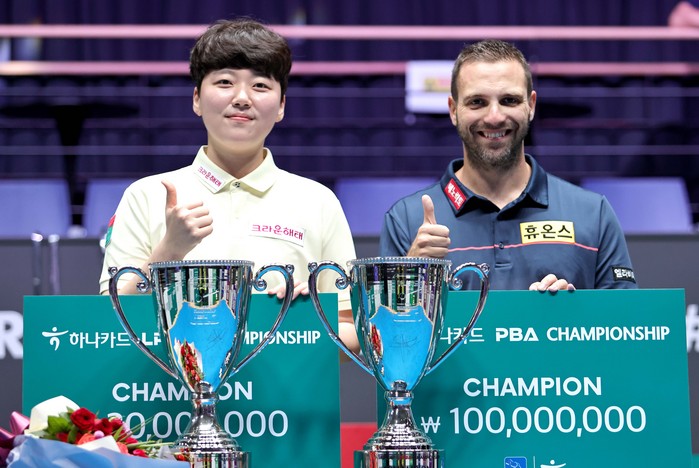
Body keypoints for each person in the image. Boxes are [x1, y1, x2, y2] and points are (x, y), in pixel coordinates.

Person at [99, 18, 358, 350]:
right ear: (196, 99)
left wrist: (302, 325)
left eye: (260, 85)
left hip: (284, 385)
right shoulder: (146, 195)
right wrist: (169, 251)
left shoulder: (318, 201)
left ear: (281, 106)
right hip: (170, 384)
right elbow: (109, 324)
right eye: (224, 82)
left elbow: (351, 329)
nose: (242, 98)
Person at [379, 39, 637, 292]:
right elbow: (385, 320)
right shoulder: (407, 220)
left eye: (509, 100)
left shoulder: (593, 214)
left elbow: (626, 317)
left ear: (531, 106)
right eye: (477, 102)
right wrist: (411, 273)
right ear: (453, 110)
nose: (494, 117)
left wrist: (570, 312)